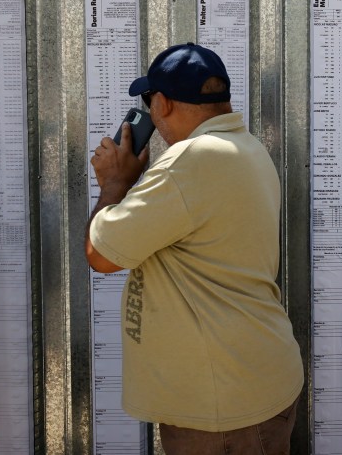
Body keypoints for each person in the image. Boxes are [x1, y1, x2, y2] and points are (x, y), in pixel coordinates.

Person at [85, 43, 304, 455]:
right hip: (248, 385)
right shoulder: (247, 148)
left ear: (163, 103)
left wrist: (115, 184)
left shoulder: (189, 162)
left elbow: (101, 254)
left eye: (149, 103)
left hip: (223, 412)